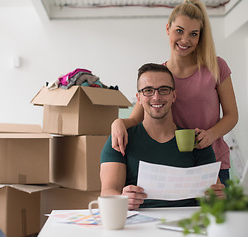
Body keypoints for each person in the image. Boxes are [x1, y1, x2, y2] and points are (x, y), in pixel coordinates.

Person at [111, 0, 238, 185]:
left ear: (200, 37)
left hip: (214, 165)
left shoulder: (216, 67)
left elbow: (232, 115)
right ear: (168, 29)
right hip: (175, 166)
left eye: (193, 34)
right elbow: (135, 119)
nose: (185, 40)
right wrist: (117, 122)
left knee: (218, 215)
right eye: (179, 31)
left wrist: (210, 135)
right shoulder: (159, 77)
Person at [100, 63, 225, 210]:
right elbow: (107, 191)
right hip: (138, 225)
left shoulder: (196, 141)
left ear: (174, 95)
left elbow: (215, 195)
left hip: (187, 225)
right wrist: (122, 199)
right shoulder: (121, 138)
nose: (156, 97)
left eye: (164, 90)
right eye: (148, 91)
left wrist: (219, 197)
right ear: (138, 97)